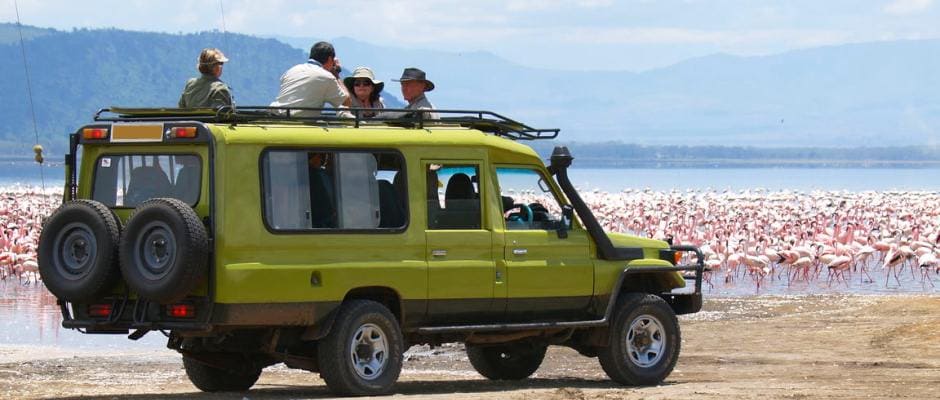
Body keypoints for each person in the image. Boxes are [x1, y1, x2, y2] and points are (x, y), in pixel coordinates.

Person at [270, 41, 350, 118]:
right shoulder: (327, 77)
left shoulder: (292, 70)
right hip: (299, 122)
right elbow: (346, 102)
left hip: (274, 117)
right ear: (330, 59)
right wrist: (336, 74)